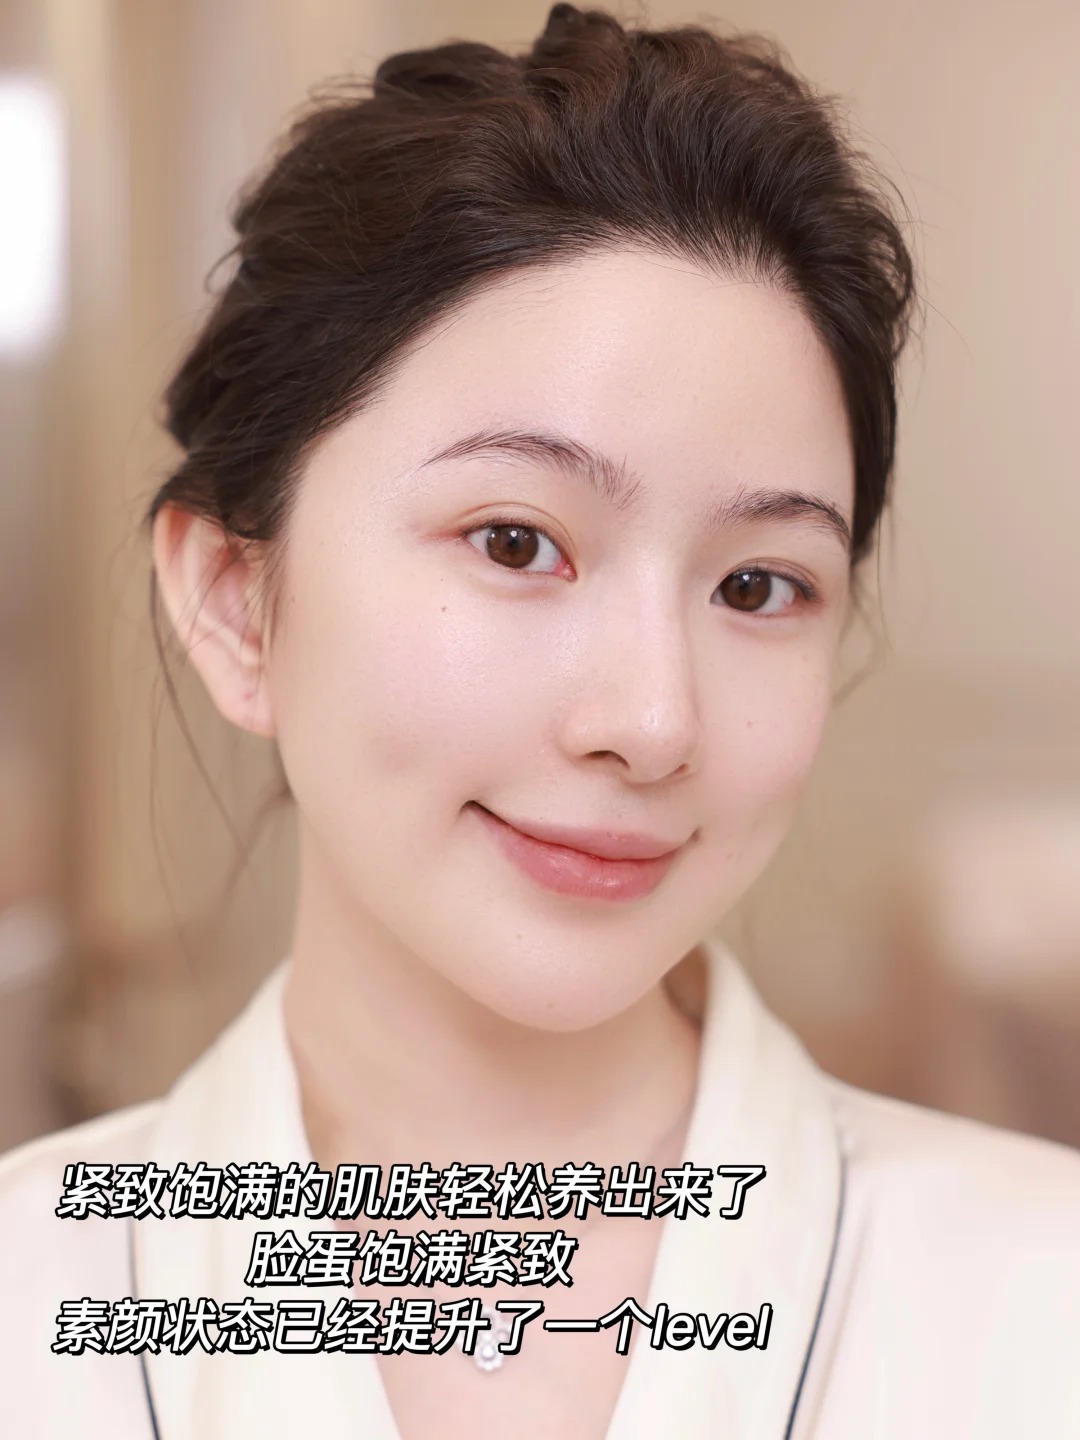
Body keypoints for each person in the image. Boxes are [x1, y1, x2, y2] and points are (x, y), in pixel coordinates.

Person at [1, 5, 1078, 1437]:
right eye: (516, 542)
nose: (653, 719)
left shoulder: (1044, 1299)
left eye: (759, 585)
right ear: (236, 601)